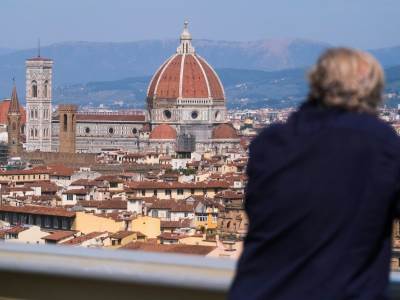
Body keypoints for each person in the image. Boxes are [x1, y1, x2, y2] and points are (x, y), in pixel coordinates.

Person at [229, 48, 400, 300]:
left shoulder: (270, 142)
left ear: (316, 83)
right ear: (372, 91)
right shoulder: (380, 144)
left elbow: (256, 209)